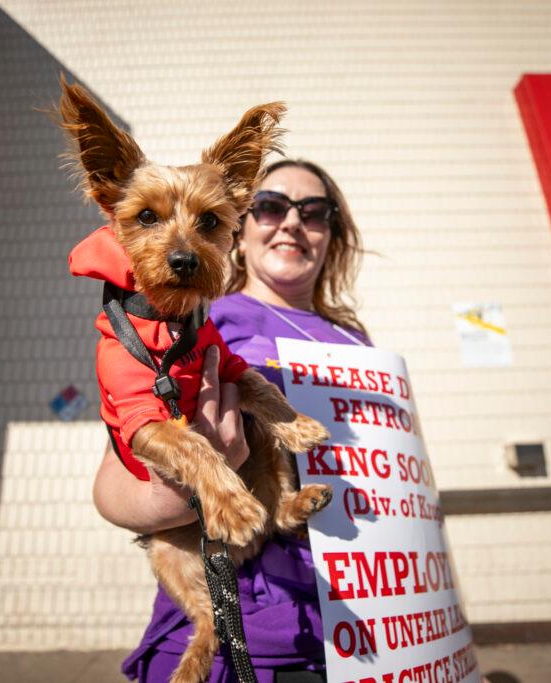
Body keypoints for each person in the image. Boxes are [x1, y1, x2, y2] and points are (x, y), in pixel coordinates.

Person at [93, 159, 368, 683]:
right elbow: (111, 484)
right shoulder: (189, 318)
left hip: (361, 630)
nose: (291, 222)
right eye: (270, 207)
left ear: (333, 233)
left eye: (313, 211)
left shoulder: (357, 343)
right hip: (241, 633)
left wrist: (442, 639)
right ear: (241, 230)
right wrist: (194, 487)